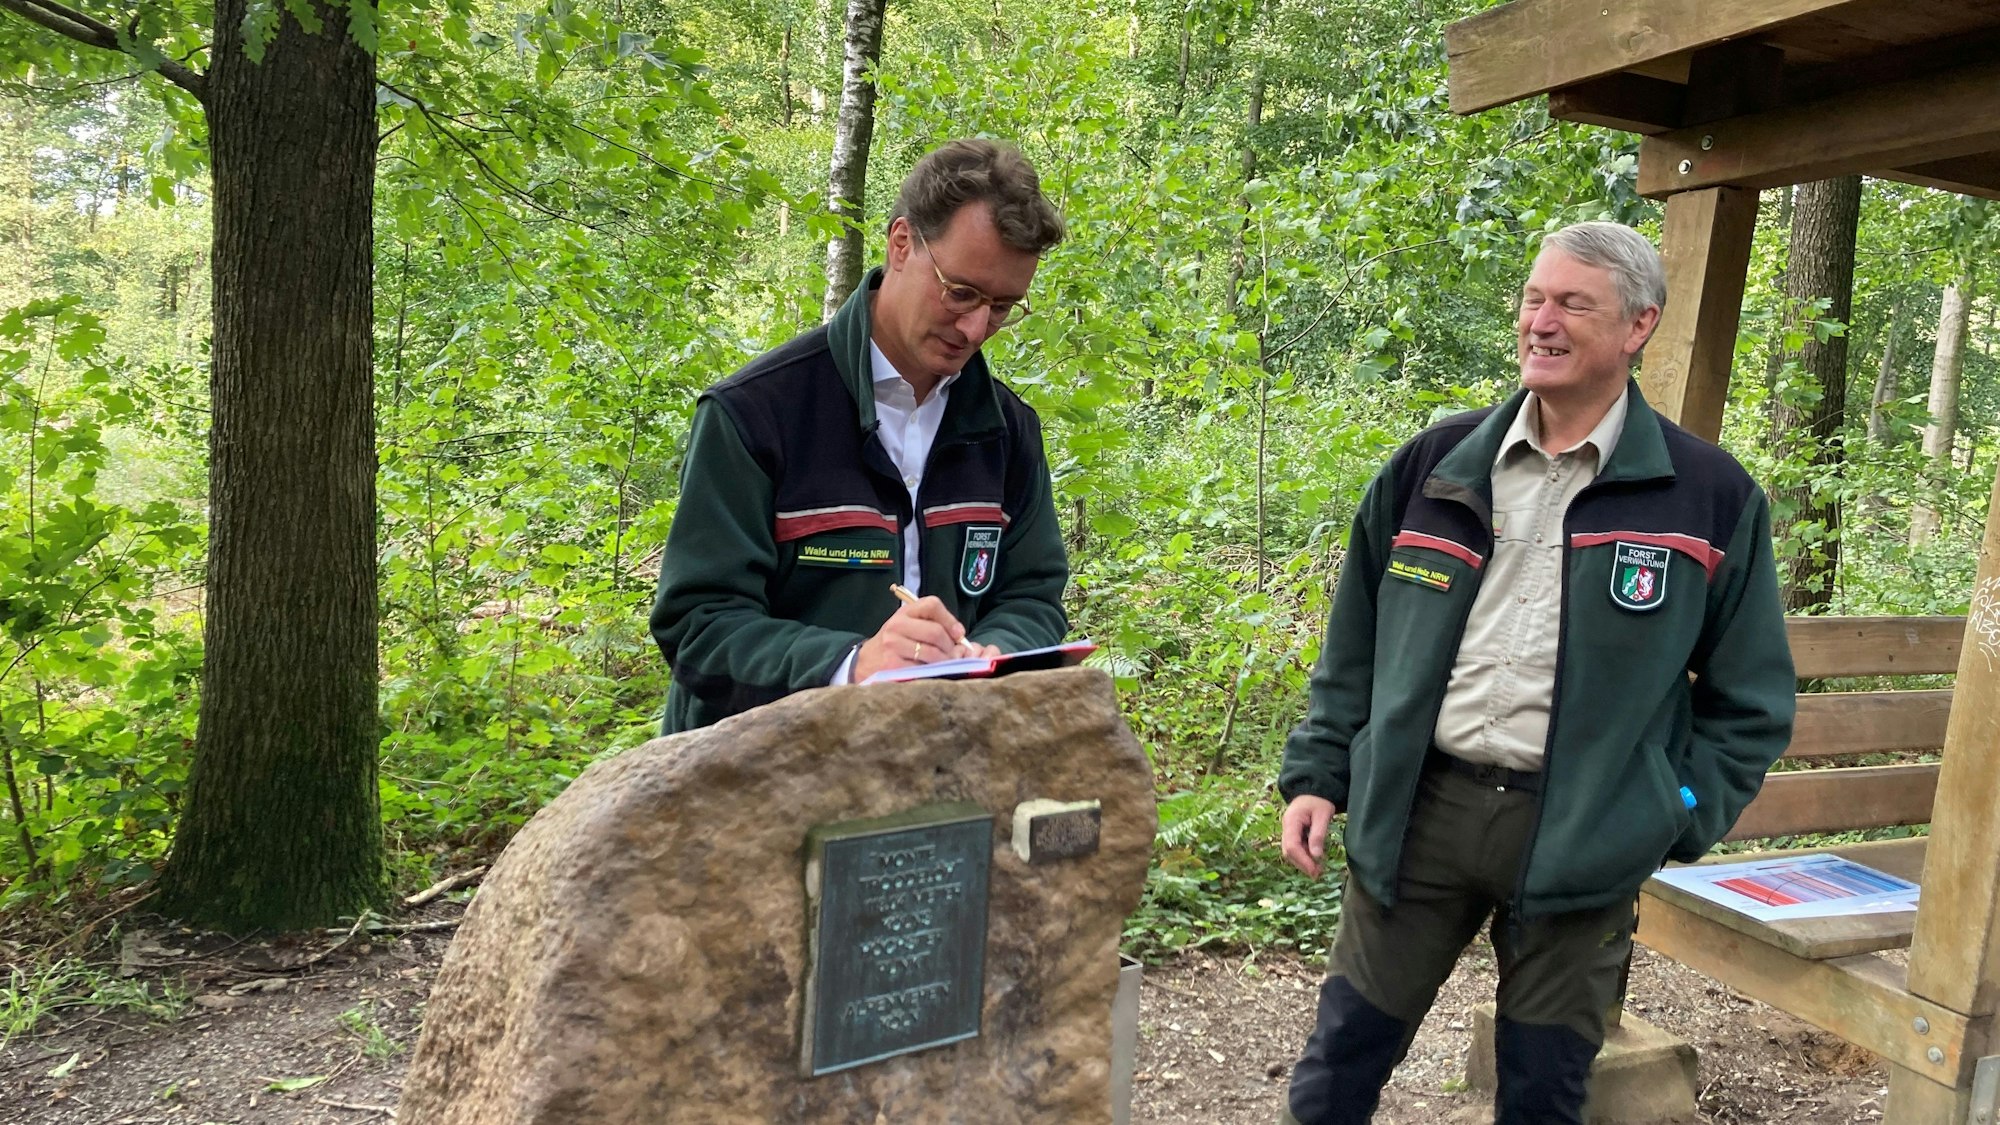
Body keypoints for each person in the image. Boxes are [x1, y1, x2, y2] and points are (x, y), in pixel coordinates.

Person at [1274, 222, 1796, 1124]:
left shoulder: (1708, 496)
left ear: (1638, 327)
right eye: (1533, 298)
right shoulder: (1433, 466)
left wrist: (1663, 813)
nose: (1541, 322)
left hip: (1585, 834)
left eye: (1571, 304)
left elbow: (1751, 703)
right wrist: (1319, 772)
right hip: (1421, 816)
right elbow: (1354, 641)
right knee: (1336, 1071)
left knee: (1545, 1097)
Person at [649, 140, 1071, 734]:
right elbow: (699, 625)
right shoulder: (756, 413)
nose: (977, 327)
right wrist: (853, 665)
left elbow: (1031, 597)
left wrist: (990, 654)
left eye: (1003, 306)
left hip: (940, 764)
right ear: (902, 244)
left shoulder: (1006, 432)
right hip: (755, 778)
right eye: (962, 292)